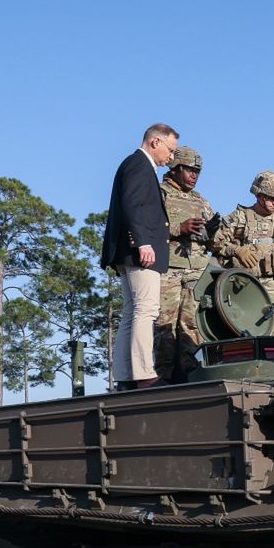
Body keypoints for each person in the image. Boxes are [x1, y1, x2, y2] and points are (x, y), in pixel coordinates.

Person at [101, 123, 177, 390]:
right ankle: (144, 374)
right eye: (170, 150)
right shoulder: (139, 165)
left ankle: (125, 375)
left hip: (130, 251)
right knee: (146, 310)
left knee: (132, 311)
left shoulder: (135, 165)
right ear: (155, 142)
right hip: (140, 252)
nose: (171, 157)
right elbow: (133, 204)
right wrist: (143, 242)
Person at [210, 171, 274, 335]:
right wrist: (236, 250)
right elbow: (214, 242)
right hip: (244, 290)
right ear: (259, 196)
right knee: (245, 339)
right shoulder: (240, 218)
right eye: (271, 198)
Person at [155, 145, 215, 382]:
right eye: (189, 170)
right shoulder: (158, 194)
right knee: (164, 327)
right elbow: (145, 228)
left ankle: (192, 377)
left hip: (196, 272)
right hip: (167, 271)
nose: (194, 175)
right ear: (175, 168)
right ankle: (162, 380)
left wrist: (211, 233)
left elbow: (215, 240)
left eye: (197, 171)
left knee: (193, 326)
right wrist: (179, 228)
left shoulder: (200, 201)